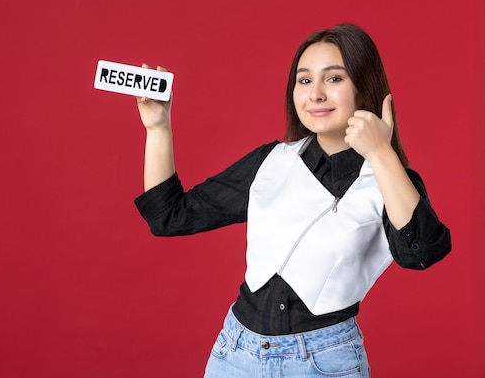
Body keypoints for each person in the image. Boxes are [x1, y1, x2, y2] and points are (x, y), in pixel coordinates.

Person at [133, 23, 451, 378]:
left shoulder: (391, 180)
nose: (315, 94)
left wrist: (382, 155)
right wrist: (158, 127)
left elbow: (421, 253)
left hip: (324, 363)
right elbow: (169, 217)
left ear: (364, 88)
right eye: (304, 80)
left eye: (333, 79)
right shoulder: (270, 161)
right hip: (235, 354)